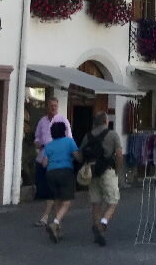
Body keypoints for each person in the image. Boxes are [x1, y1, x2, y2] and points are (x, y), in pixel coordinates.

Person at [79, 112, 122, 245]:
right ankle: (103, 222)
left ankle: (97, 228)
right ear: (105, 121)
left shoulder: (87, 136)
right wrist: (118, 170)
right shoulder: (113, 135)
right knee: (113, 200)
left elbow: (81, 156)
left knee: (96, 202)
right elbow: (119, 155)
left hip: (92, 171)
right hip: (107, 170)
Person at [33, 97, 72, 228]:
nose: (53, 108)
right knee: (48, 190)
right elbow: (37, 138)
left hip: (56, 161)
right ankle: (56, 221)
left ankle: (47, 218)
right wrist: (38, 143)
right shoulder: (42, 121)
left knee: (52, 190)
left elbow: (69, 139)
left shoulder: (63, 120)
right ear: (47, 107)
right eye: (51, 105)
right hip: (42, 159)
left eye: (55, 105)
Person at [39, 121, 79, 243]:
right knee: (66, 202)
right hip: (65, 172)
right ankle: (55, 223)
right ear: (64, 131)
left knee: (56, 200)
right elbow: (77, 156)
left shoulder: (49, 145)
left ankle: (58, 229)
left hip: (51, 173)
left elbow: (44, 163)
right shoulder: (69, 142)